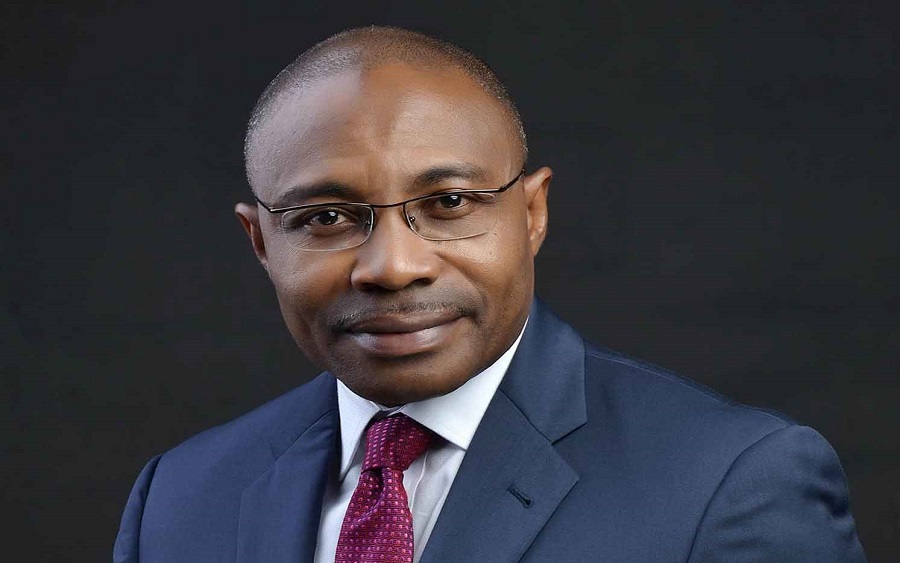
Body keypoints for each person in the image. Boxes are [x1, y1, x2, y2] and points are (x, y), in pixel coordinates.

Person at [113, 25, 867, 563]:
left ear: (532, 214)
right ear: (260, 242)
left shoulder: (731, 483)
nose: (393, 266)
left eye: (449, 204)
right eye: (328, 218)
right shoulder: (177, 499)